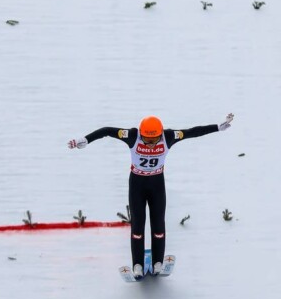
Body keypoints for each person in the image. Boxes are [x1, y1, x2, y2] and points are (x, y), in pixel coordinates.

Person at [68, 113, 234, 279]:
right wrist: (85, 139)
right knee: (138, 227)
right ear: (141, 135)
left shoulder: (168, 136)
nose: (151, 145)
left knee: (158, 226)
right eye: (147, 140)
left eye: (154, 140)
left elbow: (192, 132)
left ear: (159, 135)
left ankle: (158, 262)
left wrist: (217, 127)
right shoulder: (133, 136)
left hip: (156, 185)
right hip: (137, 185)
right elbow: (107, 131)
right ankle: (137, 265)